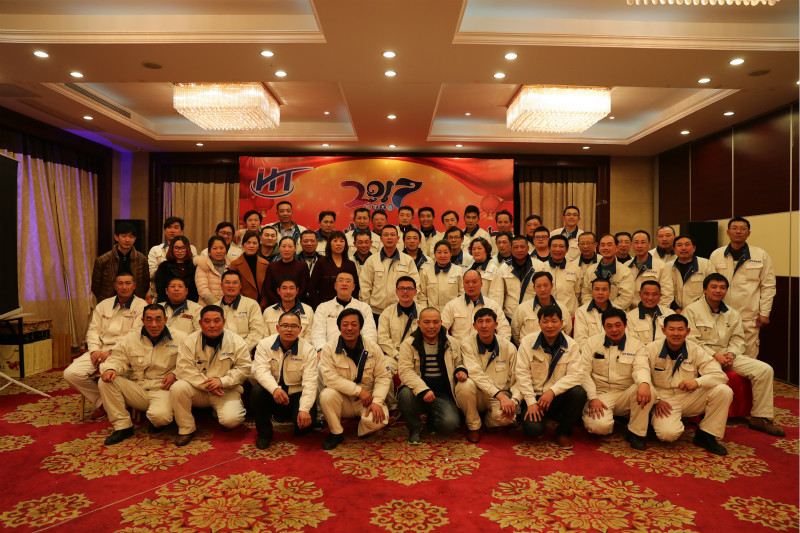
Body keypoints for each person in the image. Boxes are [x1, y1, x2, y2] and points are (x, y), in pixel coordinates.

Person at [683, 273, 784, 436]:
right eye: (714, 287)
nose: (718, 290)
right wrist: (714, 355)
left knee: (765, 370)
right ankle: (706, 420)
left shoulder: (732, 313)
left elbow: (738, 339)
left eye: (722, 288)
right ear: (705, 289)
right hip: (703, 357)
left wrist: (731, 353)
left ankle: (760, 417)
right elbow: (691, 340)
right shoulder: (691, 310)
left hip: (727, 355)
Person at [632, 314, 732, 455]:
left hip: (689, 397)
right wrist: (656, 400)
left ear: (688, 331)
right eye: (671, 329)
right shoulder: (650, 349)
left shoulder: (695, 349)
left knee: (723, 390)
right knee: (668, 435)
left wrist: (697, 382)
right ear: (663, 330)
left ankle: (706, 435)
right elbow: (640, 370)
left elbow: (720, 375)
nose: (676, 333)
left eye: (680, 329)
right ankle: (653, 421)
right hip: (664, 401)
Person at [98, 304, 186, 444]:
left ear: (165, 320)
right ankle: (123, 427)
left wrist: (175, 374)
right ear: (143, 320)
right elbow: (118, 358)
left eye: (158, 319)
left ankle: (157, 419)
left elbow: (189, 363)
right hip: (138, 387)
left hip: (163, 389)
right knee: (105, 381)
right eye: (149, 320)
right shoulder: (131, 338)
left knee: (160, 417)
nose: (154, 324)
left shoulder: (181, 338)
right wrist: (111, 368)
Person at [64, 273, 146, 420]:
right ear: (115, 286)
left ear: (134, 286)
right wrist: (94, 350)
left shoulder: (141, 306)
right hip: (100, 349)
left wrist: (112, 352)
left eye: (128, 283)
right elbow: (93, 330)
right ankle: (103, 402)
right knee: (71, 373)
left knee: (109, 376)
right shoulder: (104, 305)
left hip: (124, 352)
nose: (124, 287)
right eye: (120, 283)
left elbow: (134, 336)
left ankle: (118, 403)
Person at [170, 305, 252, 446]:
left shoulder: (237, 341)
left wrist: (222, 381)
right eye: (207, 321)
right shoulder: (190, 340)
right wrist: (208, 384)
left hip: (225, 390)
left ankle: (219, 411)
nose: (212, 325)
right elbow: (183, 369)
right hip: (199, 389)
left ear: (224, 322)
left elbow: (244, 369)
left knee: (231, 421)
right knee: (178, 387)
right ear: (200, 323)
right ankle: (186, 429)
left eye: (216, 321)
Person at [581, 308, 653, 450]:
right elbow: (584, 372)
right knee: (598, 427)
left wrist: (644, 383)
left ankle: (635, 433)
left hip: (625, 393)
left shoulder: (637, 345)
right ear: (603, 327)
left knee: (648, 388)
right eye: (609, 326)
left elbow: (641, 367)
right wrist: (592, 397)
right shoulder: (592, 343)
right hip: (600, 394)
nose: (614, 330)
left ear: (625, 325)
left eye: (618, 325)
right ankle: (616, 420)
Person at [319, 309, 392, 449]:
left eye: (354, 324)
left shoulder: (373, 347)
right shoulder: (329, 348)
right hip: (343, 398)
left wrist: (377, 402)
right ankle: (336, 432)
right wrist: (358, 391)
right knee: (326, 395)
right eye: (345, 324)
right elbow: (330, 378)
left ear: (360, 327)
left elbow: (383, 376)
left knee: (378, 420)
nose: (349, 328)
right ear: (339, 327)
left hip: (367, 399)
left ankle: (361, 427)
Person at [516, 305, 587, 449]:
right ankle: (538, 418)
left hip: (556, 397)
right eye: (545, 321)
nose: (550, 325)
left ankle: (563, 432)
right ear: (539, 323)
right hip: (535, 396)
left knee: (579, 392)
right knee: (533, 430)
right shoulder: (527, 342)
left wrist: (552, 391)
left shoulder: (571, 345)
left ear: (562, 323)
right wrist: (531, 402)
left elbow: (576, 375)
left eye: (554, 321)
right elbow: (522, 374)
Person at [397, 308, 466, 444]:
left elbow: (460, 362)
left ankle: (433, 419)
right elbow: (405, 371)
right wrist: (423, 390)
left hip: (442, 393)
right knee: (405, 394)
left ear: (441, 323)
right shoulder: (408, 344)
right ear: (419, 323)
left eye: (435, 322)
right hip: (417, 391)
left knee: (450, 424)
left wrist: (461, 370)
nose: (431, 326)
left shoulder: (452, 342)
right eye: (427, 322)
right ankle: (415, 428)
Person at [250, 311, 318, 449]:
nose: (289, 329)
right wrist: (274, 389)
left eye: (293, 326)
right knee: (257, 391)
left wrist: (304, 409)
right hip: (273, 392)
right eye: (285, 325)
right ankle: (264, 434)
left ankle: (288, 416)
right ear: (277, 328)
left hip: (296, 394)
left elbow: (310, 382)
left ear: (300, 329)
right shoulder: (264, 344)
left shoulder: (309, 350)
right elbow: (260, 371)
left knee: (304, 428)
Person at [709, 217, 776, 358]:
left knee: (748, 356)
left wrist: (765, 312)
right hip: (721, 314)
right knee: (722, 355)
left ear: (748, 233)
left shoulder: (761, 255)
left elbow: (768, 286)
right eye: (734, 228)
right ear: (728, 232)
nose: (738, 231)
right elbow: (710, 285)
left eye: (743, 228)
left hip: (749, 315)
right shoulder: (716, 254)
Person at [458, 308, 520, 442]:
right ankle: (474, 426)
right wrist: (500, 396)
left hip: (500, 395)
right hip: (477, 394)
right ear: (474, 326)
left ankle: (487, 421)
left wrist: (513, 401)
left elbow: (518, 378)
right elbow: (475, 373)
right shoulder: (466, 343)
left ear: (496, 325)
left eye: (488, 321)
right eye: (480, 321)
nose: (484, 325)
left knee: (508, 417)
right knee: (464, 385)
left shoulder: (508, 347)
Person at [377, 276, 422, 415]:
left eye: (409, 288)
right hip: (394, 355)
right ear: (396, 291)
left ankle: (422, 404)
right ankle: (393, 406)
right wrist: (397, 355)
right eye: (402, 288)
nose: (405, 291)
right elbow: (382, 339)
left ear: (415, 292)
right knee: (384, 368)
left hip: (417, 355)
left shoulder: (423, 312)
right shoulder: (387, 313)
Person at [359, 225, 420, 323]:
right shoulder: (372, 260)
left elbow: (415, 284)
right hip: (375, 312)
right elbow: (365, 286)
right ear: (381, 239)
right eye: (386, 235)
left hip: (400, 310)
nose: (389, 237)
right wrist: (366, 310)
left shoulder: (407, 260)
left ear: (398, 238)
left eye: (392, 235)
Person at [311, 271, 377, 350]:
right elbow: (318, 333)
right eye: (341, 280)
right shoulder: (323, 307)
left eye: (348, 281)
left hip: (357, 351)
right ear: (335, 286)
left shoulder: (364, 308)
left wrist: (364, 351)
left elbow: (370, 333)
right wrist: (322, 350)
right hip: (329, 351)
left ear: (353, 287)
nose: (344, 284)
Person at [441, 270, 511, 342]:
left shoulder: (492, 305)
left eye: (474, 282)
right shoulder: (452, 305)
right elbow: (441, 328)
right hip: (459, 347)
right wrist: (451, 345)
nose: (471, 285)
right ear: (463, 284)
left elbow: (504, 329)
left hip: (485, 348)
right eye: (467, 282)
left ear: (481, 283)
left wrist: (499, 346)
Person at [91, 222, 149, 301]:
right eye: (123, 236)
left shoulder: (142, 260)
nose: (127, 240)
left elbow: (145, 285)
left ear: (135, 239)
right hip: (109, 302)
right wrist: (106, 301)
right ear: (116, 237)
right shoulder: (102, 260)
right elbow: (95, 287)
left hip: (135, 302)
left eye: (131, 236)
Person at [511, 271, 572, 345]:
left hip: (556, 349)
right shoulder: (522, 308)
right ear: (534, 288)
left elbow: (567, 331)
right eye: (538, 286)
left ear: (552, 286)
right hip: (529, 349)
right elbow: (515, 332)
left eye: (546, 285)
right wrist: (525, 347)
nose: (542, 289)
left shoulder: (562, 309)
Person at [580, 234, 635, 310]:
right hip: (592, 312)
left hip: (616, 312)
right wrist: (594, 309)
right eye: (602, 245)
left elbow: (626, 298)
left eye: (609, 245)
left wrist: (607, 310)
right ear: (599, 248)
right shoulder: (590, 270)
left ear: (617, 248)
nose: (606, 248)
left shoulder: (625, 272)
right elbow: (586, 293)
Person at [489, 235, 537, 320]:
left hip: (533, 315)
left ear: (528, 248)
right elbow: (498, 294)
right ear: (511, 249)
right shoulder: (504, 268)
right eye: (516, 247)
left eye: (522, 247)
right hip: (510, 316)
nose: (519, 250)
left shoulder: (539, 266)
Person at [218, 270, 268, 353]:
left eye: (235, 283)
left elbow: (257, 331)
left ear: (240, 285)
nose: (231, 286)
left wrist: (242, 349)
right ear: (221, 285)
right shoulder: (215, 307)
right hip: (220, 352)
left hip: (244, 352)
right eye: (227, 282)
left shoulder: (251, 304)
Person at [307, 230, 359, 308]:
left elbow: (356, 288)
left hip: (347, 307)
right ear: (329, 244)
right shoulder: (321, 262)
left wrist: (351, 306)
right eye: (335, 241)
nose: (338, 244)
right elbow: (312, 288)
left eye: (342, 241)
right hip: (325, 307)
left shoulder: (350, 264)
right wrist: (319, 306)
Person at [533, 235, 582, 315]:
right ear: (549, 249)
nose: (558, 249)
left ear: (567, 249)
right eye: (554, 246)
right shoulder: (541, 268)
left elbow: (578, 293)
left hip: (569, 315)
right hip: (545, 315)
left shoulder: (575, 269)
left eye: (561, 246)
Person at [669, 234, 717, 313]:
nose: (683, 248)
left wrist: (694, 310)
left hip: (700, 311)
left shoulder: (706, 264)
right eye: (679, 245)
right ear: (674, 249)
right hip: (674, 313)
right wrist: (677, 310)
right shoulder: (667, 267)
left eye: (687, 244)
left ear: (694, 248)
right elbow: (666, 292)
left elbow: (711, 289)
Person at [628, 230, 674, 310]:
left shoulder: (661, 266)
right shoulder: (626, 266)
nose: (639, 246)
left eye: (643, 242)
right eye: (636, 242)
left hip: (655, 310)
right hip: (631, 311)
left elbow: (667, 294)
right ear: (631, 245)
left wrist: (659, 312)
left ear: (649, 244)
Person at [263, 278, 314, 343]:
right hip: (273, 348)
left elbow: (309, 338)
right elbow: (265, 337)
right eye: (284, 288)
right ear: (278, 291)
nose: (288, 292)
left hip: (301, 348)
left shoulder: (308, 310)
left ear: (297, 290)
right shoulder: (268, 311)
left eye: (291, 288)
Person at [418, 241, 465, 312]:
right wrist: (425, 311)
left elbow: (462, 294)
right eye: (439, 252)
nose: (442, 255)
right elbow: (422, 295)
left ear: (451, 253)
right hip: (431, 313)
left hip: (453, 312)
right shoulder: (426, 271)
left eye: (446, 252)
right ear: (434, 254)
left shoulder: (458, 270)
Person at [227, 230, 269, 308]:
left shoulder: (265, 264)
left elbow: (268, 288)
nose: (251, 246)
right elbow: (234, 287)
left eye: (254, 243)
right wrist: (246, 305)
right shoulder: (235, 264)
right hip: (243, 305)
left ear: (258, 246)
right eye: (248, 243)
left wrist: (263, 306)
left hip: (263, 306)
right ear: (243, 245)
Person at [264, 237, 310, 306]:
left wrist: (292, 303)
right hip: (276, 305)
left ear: (295, 249)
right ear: (279, 248)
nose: (287, 249)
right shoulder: (272, 266)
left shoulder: (302, 265)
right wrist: (280, 304)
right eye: (283, 246)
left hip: (297, 305)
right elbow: (268, 289)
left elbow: (304, 288)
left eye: (290, 246)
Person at [153, 236, 198, 303]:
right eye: (176, 248)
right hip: (168, 303)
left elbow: (196, 289)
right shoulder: (164, 266)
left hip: (191, 303)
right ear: (171, 249)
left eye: (183, 248)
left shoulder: (194, 266)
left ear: (187, 249)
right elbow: (160, 290)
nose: (180, 251)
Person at [574, 278, 613, 346]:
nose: (600, 293)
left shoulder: (619, 312)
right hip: (590, 351)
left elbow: (623, 338)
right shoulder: (581, 312)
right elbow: (580, 341)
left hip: (614, 351)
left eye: (604, 289)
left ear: (610, 292)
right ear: (592, 291)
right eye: (597, 289)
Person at [195, 236, 227, 305]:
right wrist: (219, 305)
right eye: (215, 248)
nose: (219, 251)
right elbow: (203, 291)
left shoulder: (231, 265)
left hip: (228, 306)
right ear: (209, 250)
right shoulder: (202, 265)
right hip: (206, 307)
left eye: (222, 248)